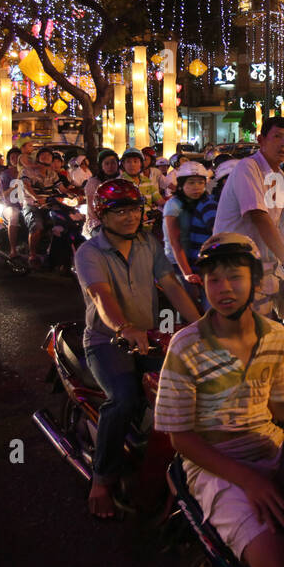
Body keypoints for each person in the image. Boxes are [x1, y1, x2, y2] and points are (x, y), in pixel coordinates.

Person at [153, 233, 284, 567]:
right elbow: (181, 439)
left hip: (270, 445)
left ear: (256, 282)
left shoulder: (276, 337)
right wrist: (247, 478)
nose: (224, 288)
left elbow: (280, 407)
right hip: (214, 465)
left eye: (234, 277)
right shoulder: (186, 345)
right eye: (214, 280)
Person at [75, 180, 201, 518]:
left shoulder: (148, 243)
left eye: (134, 209)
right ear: (103, 214)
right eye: (120, 211)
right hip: (106, 340)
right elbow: (102, 296)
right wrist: (123, 328)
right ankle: (102, 480)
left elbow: (171, 284)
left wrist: (202, 324)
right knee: (124, 398)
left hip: (149, 335)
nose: (129, 217)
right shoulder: (89, 252)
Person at [211, 116, 284, 313]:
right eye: (278, 137)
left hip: (269, 269)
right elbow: (259, 216)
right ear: (261, 140)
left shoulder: (280, 178)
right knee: (255, 332)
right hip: (239, 268)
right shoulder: (248, 168)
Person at [163, 161, 213, 287]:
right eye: (191, 182)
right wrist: (187, 273)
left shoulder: (205, 202)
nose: (196, 187)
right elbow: (175, 242)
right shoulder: (173, 205)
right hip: (177, 263)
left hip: (197, 260)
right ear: (181, 185)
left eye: (200, 182)